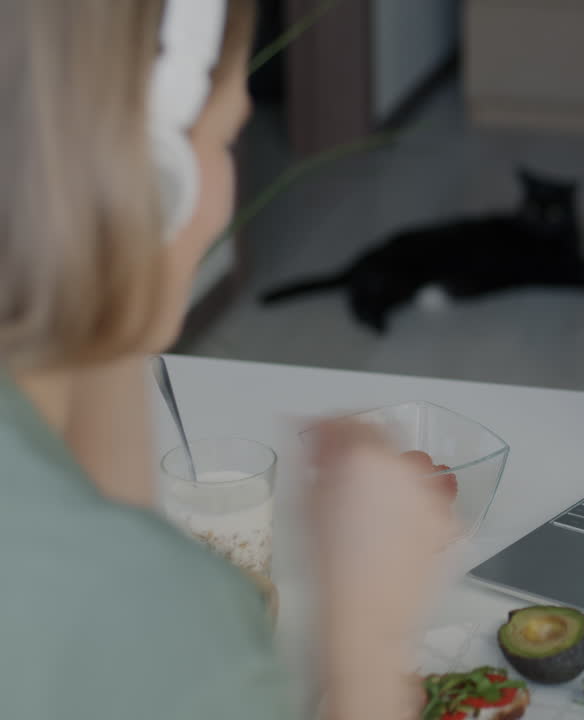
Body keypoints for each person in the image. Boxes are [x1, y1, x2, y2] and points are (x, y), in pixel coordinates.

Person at [0, 2, 456, 719]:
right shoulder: (168, 624)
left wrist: (114, 272)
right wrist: (366, 638)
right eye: (227, 138)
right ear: (156, 177)